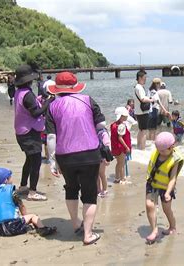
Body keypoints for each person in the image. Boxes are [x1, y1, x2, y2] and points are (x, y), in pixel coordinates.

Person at [46, 71, 106, 245]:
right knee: (90, 194)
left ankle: (75, 223)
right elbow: (101, 125)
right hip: (90, 153)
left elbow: (51, 137)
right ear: (75, 86)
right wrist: (106, 147)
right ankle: (88, 234)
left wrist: (52, 160)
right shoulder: (88, 100)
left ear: (57, 88)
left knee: (71, 188)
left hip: (65, 155)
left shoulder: (52, 106)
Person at [13, 65, 52, 201]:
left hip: (22, 132)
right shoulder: (28, 94)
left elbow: (30, 106)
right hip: (29, 133)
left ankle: (24, 186)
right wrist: (48, 103)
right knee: (35, 162)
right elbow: (35, 113)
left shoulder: (20, 92)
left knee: (29, 160)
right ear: (29, 80)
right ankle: (32, 191)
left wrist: (40, 101)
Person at [0, 168, 56, 237]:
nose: (11, 179)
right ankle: (43, 229)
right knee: (33, 216)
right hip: (12, 227)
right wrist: (26, 219)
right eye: (10, 177)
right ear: (6, 180)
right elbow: (21, 206)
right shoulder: (12, 192)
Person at [145, 132, 184, 244]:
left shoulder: (175, 159)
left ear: (171, 147)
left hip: (166, 187)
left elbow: (172, 179)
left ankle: (172, 227)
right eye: (159, 150)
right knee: (149, 205)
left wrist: (168, 192)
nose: (160, 152)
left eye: (163, 151)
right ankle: (154, 230)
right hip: (152, 183)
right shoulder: (157, 152)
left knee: (167, 210)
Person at [134, 70, 154, 150]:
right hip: (143, 112)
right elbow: (142, 99)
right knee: (144, 132)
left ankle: (139, 146)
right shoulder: (139, 87)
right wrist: (151, 100)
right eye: (144, 78)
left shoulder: (137, 87)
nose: (145, 79)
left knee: (140, 130)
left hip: (138, 111)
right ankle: (142, 149)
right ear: (140, 78)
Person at [111, 107, 132, 184]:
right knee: (122, 164)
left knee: (118, 163)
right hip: (121, 148)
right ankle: (123, 179)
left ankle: (117, 178)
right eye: (126, 116)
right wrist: (126, 147)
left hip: (115, 147)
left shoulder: (114, 124)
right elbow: (120, 137)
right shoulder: (122, 125)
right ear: (121, 116)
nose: (127, 117)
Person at [97, 123, 113, 198]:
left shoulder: (103, 133)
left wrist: (107, 158)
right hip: (96, 155)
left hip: (102, 156)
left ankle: (105, 189)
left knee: (102, 174)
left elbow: (107, 146)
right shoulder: (96, 131)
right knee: (97, 174)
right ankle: (98, 189)